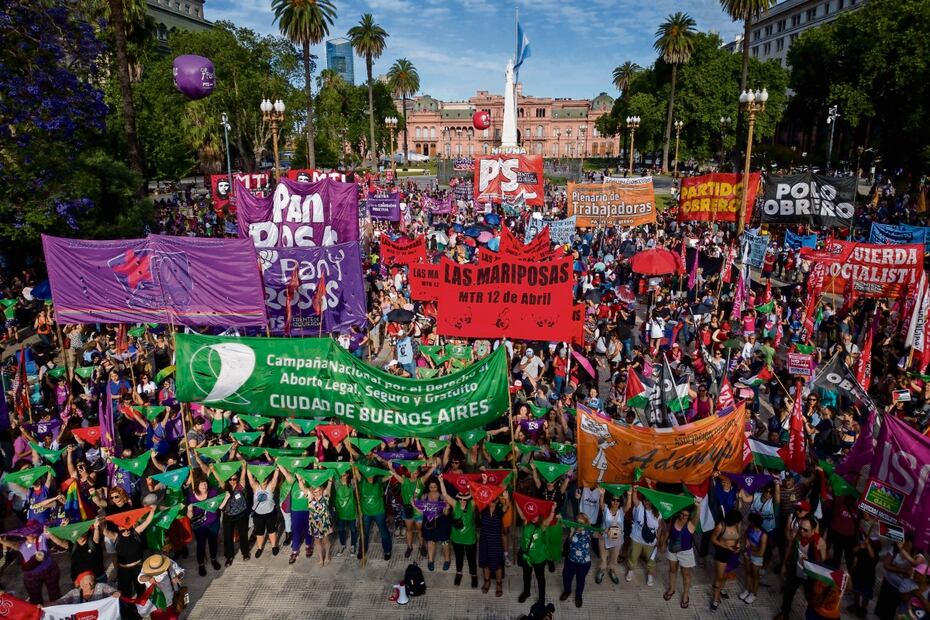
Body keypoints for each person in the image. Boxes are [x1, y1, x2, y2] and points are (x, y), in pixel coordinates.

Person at [0, 521, 62, 603]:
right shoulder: (22, 545)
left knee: (55, 595)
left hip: (49, 570)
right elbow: (13, 545)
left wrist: (57, 527)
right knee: (35, 600)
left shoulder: (42, 537)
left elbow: (50, 534)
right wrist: (2, 541)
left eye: (33, 532)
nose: (31, 535)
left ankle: (57, 608)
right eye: (28, 533)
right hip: (32, 575)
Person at [439, 477, 478, 588]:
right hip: (457, 538)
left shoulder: (472, 505)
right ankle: (459, 573)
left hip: (470, 539)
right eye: (461, 498)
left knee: (471, 558)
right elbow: (445, 495)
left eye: (465, 499)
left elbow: (479, 495)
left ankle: (474, 575)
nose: (462, 500)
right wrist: (441, 481)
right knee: (458, 557)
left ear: (468, 499)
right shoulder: (455, 504)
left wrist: (472, 486)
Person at [662, 499, 700, 609]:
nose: (683, 517)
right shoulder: (674, 519)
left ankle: (685, 595)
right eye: (682, 514)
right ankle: (671, 589)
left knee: (686, 574)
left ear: (689, 516)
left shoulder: (691, 524)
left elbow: (697, 517)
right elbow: (668, 531)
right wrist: (664, 542)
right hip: (672, 549)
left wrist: (698, 507)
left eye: (686, 515)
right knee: (672, 570)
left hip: (686, 552)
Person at [517, 503, 554, 605]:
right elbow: (521, 514)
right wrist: (516, 501)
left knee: (540, 578)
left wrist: (552, 510)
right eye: (532, 515)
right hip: (526, 557)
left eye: (536, 515)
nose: (534, 517)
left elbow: (549, 520)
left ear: (540, 516)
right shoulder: (526, 522)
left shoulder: (542, 526)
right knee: (526, 576)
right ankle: (526, 592)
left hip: (539, 558)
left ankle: (542, 598)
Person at [186, 474, 221, 576]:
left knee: (213, 542)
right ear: (197, 485)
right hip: (200, 526)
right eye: (201, 484)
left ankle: (213, 559)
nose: (204, 486)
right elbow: (190, 516)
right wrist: (189, 510)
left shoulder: (213, 492)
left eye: (205, 483)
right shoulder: (192, 497)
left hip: (213, 523)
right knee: (201, 545)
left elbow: (218, 504)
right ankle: (201, 564)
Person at [217, 464, 250, 566]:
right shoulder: (225, 487)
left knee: (243, 534)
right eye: (230, 479)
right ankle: (229, 556)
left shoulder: (240, 486)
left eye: (234, 479)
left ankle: (245, 552)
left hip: (241, 514)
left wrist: (244, 467)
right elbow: (219, 480)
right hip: (228, 515)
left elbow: (243, 477)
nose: (232, 481)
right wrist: (213, 470)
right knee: (228, 536)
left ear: (237, 479)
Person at [710, 508, 742, 611]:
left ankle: (721, 589)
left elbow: (738, 537)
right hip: (722, 553)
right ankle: (715, 598)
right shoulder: (721, 526)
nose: (738, 523)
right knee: (719, 576)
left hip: (733, 553)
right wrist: (725, 546)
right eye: (737, 521)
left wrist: (738, 545)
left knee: (726, 575)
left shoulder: (737, 525)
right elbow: (713, 539)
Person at [626, 491, 661, 586]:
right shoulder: (640, 507)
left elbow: (659, 527)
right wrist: (634, 491)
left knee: (651, 560)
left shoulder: (658, 512)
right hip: (637, 539)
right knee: (633, 556)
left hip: (650, 541)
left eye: (649, 500)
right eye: (645, 500)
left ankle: (650, 574)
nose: (646, 502)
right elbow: (634, 499)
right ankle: (631, 570)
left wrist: (659, 540)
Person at [560, 512, 594, 608]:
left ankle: (578, 597)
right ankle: (567, 591)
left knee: (580, 580)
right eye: (577, 522)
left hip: (584, 563)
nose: (579, 525)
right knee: (566, 577)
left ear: (586, 523)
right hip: (571, 560)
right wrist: (572, 532)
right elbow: (568, 541)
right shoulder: (573, 529)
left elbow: (598, 534)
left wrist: (606, 531)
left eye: (581, 523)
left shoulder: (589, 530)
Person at [596, 490, 630, 585]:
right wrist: (602, 494)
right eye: (613, 500)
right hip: (604, 538)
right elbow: (601, 504)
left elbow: (628, 506)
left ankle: (612, 570)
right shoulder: (606, 509)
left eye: (618, 500)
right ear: (610, 500)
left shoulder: (621, 511)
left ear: (620, 502)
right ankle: (602, 570)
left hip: (617, 540)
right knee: (603, 557)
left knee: (614, 557)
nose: (615, 502)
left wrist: (630, 494)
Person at [479, 490, 508, 597]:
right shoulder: (483, 510)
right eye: (491, 499)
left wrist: (506, 498)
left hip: (496, 542)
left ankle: (499, 584)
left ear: (497, 501)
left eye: (494, 500)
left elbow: (506, 506)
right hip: (484, 541)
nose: (492, 501)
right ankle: (487, 581)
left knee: (497, 564)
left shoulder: (499, 511)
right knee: (485, 563)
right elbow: (478, 497)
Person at [246, 465, 280, 558]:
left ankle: (274, 546)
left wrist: (277, 470)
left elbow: (275, 478)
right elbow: (250, 478)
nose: (263, 481)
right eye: (261, 479)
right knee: (259, 532)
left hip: (270, 514)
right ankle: (259, 548)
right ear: (258, 480)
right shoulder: (255, 487)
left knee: (271, 531)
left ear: (267, 480)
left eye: (265, 479)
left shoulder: (271, 487)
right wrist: (248, 467)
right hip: (258, 515)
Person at [740, 512, 767, 605]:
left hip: (756, 558)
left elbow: (761, 553)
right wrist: (746, 541)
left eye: (750, 521)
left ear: (753, 522)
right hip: (748, 554)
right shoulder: (750, 528)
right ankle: (747, 590)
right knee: (748, 573)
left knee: (755, 576)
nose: (748, 522)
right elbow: (745, 535)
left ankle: (753, 593)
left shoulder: (763, 535)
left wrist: (749, 552)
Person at [307, 477, 334, 566]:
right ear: (312, 492)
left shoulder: (325, 496)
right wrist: (300, 479)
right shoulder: (310, 498)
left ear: (322, 490)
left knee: (326, 540)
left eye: (319, 491)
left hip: (324, 523)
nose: (318, 493)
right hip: (314, 524)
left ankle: (327, 556)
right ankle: (320, 558)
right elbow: (303, 488)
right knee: (317, 541)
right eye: (315, 492)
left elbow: (329, 486)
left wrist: (330, 479)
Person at [52, 571, 120, 604]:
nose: (89, 586)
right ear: (80, 585)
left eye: (91, 583)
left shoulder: (101, 586)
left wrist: (116, 593)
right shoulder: (74, 593)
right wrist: (49, 605)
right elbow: (60, 602)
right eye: (86, 584)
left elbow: (116, 592)